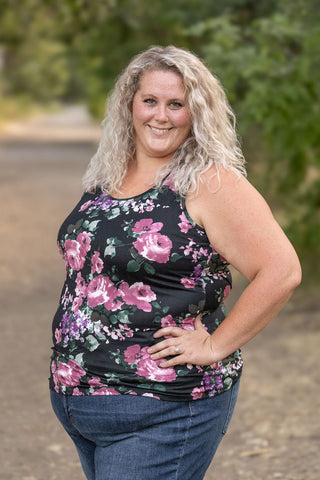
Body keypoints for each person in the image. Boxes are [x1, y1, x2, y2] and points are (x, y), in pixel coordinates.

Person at [49, 45, 301, 480]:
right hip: (81, 402)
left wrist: (216, 344)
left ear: (195, 112)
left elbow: (281, 271)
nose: (160, 116)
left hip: (162, 408)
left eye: (176, 104)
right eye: (150, 101)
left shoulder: (210, 183)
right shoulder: (108, 175)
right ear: (131, 104)